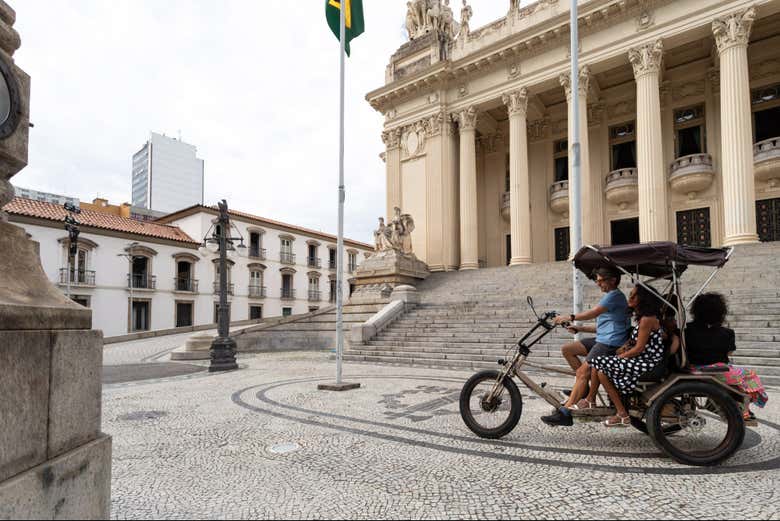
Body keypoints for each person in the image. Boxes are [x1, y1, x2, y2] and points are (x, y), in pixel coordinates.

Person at [541, 267, 630, 426]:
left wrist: (570, 317)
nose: (598, 283)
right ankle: (585, 391)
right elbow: (602, 327)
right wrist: (579, 328)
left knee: (583, 371)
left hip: (610, 343)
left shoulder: (614, 296)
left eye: (601, 280)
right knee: (568, 349)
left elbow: (594, 313)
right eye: (597, 280)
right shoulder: (610, 296)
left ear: (613, 280)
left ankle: (565, 412)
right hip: (603, 338)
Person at [589, 284, 667, 427]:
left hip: (649, 362)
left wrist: (619, 357)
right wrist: (623, 349)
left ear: (644, 299)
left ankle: (618, 412)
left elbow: (639, 348)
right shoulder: (644, 318)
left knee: (600, 364)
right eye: (630, 294)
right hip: (642, 359)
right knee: (600, 366)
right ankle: (601, 404)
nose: (630, 297)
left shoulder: (647, 319)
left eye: (634, 295)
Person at [685, 292, 769, 419]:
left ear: (696, 311)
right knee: (749, 375)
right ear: (720, 312)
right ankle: (742, 408)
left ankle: (724, 403)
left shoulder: (687, 331)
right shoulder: (727, 333)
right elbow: (729, 352)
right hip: (716, 371)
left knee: (733, 373)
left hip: (693, 369)